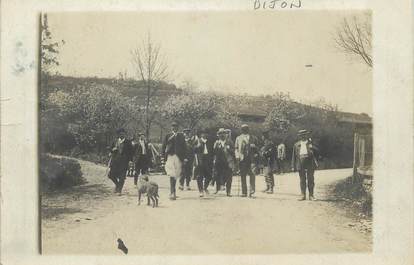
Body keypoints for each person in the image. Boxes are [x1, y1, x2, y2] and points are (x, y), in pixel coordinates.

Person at [291, 129, 319, 201]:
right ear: (299, 136)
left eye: (304, 135)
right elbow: (294, 156)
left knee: (310, 179)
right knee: (302, 180)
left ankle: (311, 195)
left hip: (310, 162)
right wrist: (293, 166)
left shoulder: (311, 143)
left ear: (307, 135)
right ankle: (303, 195)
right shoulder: (296, 144)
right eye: (301, 135)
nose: (303, 136)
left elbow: (318, 151)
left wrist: (312, 147)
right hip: (300, 162)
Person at [162, 122, 186, 200]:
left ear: (178, 128)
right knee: (172, 174)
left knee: (176, 174)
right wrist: (163, 157)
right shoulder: (168, 136)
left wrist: (185, 157)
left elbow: (184, 147)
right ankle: (172, 192)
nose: (174, 128)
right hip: (170, 156)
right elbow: (164, 146)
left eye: (176, 127)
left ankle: (174, 191)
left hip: (178, 157)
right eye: (173, 126)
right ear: (171, 128)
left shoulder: (181, 136)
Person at [108, 128, 134, 195]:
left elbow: (131, 152)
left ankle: (119, 190)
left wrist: (130, 161)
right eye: (120, 133)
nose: (121, 134)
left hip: (124, 162)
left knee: (122, 177)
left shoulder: (128, 142)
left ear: (124, 134)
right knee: (111, 175)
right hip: (115, 161)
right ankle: (117, 185)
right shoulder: (115, 141)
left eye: (123, 133)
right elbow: (111, 149)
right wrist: (112, 150)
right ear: (118, 134)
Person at [235, 124, 256, 197]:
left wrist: (254, 147)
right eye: (243, 129)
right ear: (241, 130)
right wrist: (237, 156)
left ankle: (251, 190)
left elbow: (257, 147)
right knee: (243, 175)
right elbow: (236, 148)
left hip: (251, 158)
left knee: (252, 174)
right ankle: (244, 192)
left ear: (248, 129)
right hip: (242, 159)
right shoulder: (238, 138)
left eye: (246, 128)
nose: (245, 130)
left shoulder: (253, 138)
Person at [213, 128, 235, 196]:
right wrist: (214, 160)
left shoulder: (230, 142)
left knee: (229, 177)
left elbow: (233, 151)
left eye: (223, 133)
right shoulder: (217, 143)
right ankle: (217, 189)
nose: (222, 135)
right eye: (220, 134)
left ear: (226, 135)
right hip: (219, 162)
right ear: (218, 135)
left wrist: (229, 149)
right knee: (218, 175)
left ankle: (228, 192)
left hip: (228, 161)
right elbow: (214, 152)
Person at [195, 130, 213, 197]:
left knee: (209, 175)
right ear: (200, 134)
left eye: (206, 133)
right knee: (200, 176)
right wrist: (197, 147)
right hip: (200, 160)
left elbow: (212, 151)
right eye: (203, 133)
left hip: (208, 160)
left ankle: (205, 187)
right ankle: (201, 190)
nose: (204, 135)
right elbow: (193, 150)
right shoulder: (197, 141)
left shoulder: (209, 141)